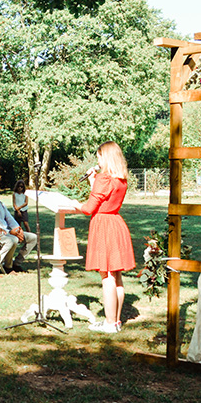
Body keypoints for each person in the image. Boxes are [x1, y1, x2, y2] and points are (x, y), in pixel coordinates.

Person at [77, 142, 136, 333]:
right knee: (116, 275)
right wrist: (93, 182)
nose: (98, 161)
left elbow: (89, 208)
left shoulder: (104, 179)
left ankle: (110, 323)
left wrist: (73, 204)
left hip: (104, 227)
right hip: (116, 223)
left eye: (99, 157)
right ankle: (115, 321)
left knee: (107, 275)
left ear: (106, 158)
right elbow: (105, 199)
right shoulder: (120, 179)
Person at [0, 180, 38, 272]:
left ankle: (17, 263)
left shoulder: (0, 203)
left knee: (33, 237)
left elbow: (9, 218)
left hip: (7, 232)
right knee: (13, 239)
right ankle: (7, 266)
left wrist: (18, 229)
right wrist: (10, 232)